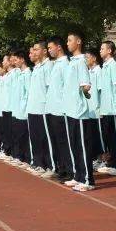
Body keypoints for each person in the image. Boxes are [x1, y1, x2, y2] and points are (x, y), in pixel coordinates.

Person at [63, 31, 96, 192]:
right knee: (74, 145)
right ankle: (78, 176)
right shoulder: (72, 62)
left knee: (82, 146)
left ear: (79, 42)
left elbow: (86, 84)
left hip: (79, 112)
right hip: (70, 110)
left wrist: (86, 90)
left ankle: (88, 180)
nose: (67, 43)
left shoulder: (81, 62)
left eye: (70, 40)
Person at [44, 37, 72, 182]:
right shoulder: (56, 64)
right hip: (52, 109)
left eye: (50, 48)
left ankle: (69, 170)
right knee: (56, 141)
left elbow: (67, 88)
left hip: (61, 110)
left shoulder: (65, 64)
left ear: (59, 47)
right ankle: (62, 168)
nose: (49, 51)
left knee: (64, 142)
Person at [25, 40, 53, 176]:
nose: (34, 52)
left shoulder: (48, 66)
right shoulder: (36, 67)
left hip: (42, 108)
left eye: (36, 49)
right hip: (33, 108)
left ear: (44, 51)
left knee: (44, 138)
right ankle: (38, 163)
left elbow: (50, 89)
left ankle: (49, 166)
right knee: (35, 138)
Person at [96, 41, 116, 176]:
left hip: (113, 109)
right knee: (108, 137)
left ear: (110, 51)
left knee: (115, 137)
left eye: (102, 48)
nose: (100, 51)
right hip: (105, 108)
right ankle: (111, 161)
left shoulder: (113, 65)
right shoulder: (104, 66)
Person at [8, 50, 32, 169]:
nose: (14, 62)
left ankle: (26, 158)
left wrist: (25, 108)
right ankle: (20, 157)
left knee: (24, 136)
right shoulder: (20, 74)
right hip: (17, 110)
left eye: (16, 59)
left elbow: (28, 94)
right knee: (18, 135)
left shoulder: (27, 74)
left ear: (22, 59)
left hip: (24, 111)